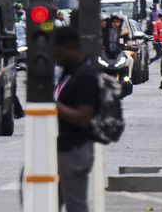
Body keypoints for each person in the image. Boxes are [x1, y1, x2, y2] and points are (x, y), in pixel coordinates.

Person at [54, 27, 98, 212]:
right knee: (49, 198)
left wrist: (52, 104)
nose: (56, 58)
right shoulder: (69, 72)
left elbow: (83, 117)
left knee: (76, 205)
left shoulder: (85, 75)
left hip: (75, 150)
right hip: (63, 147)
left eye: (57, 52)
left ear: (70, 47)